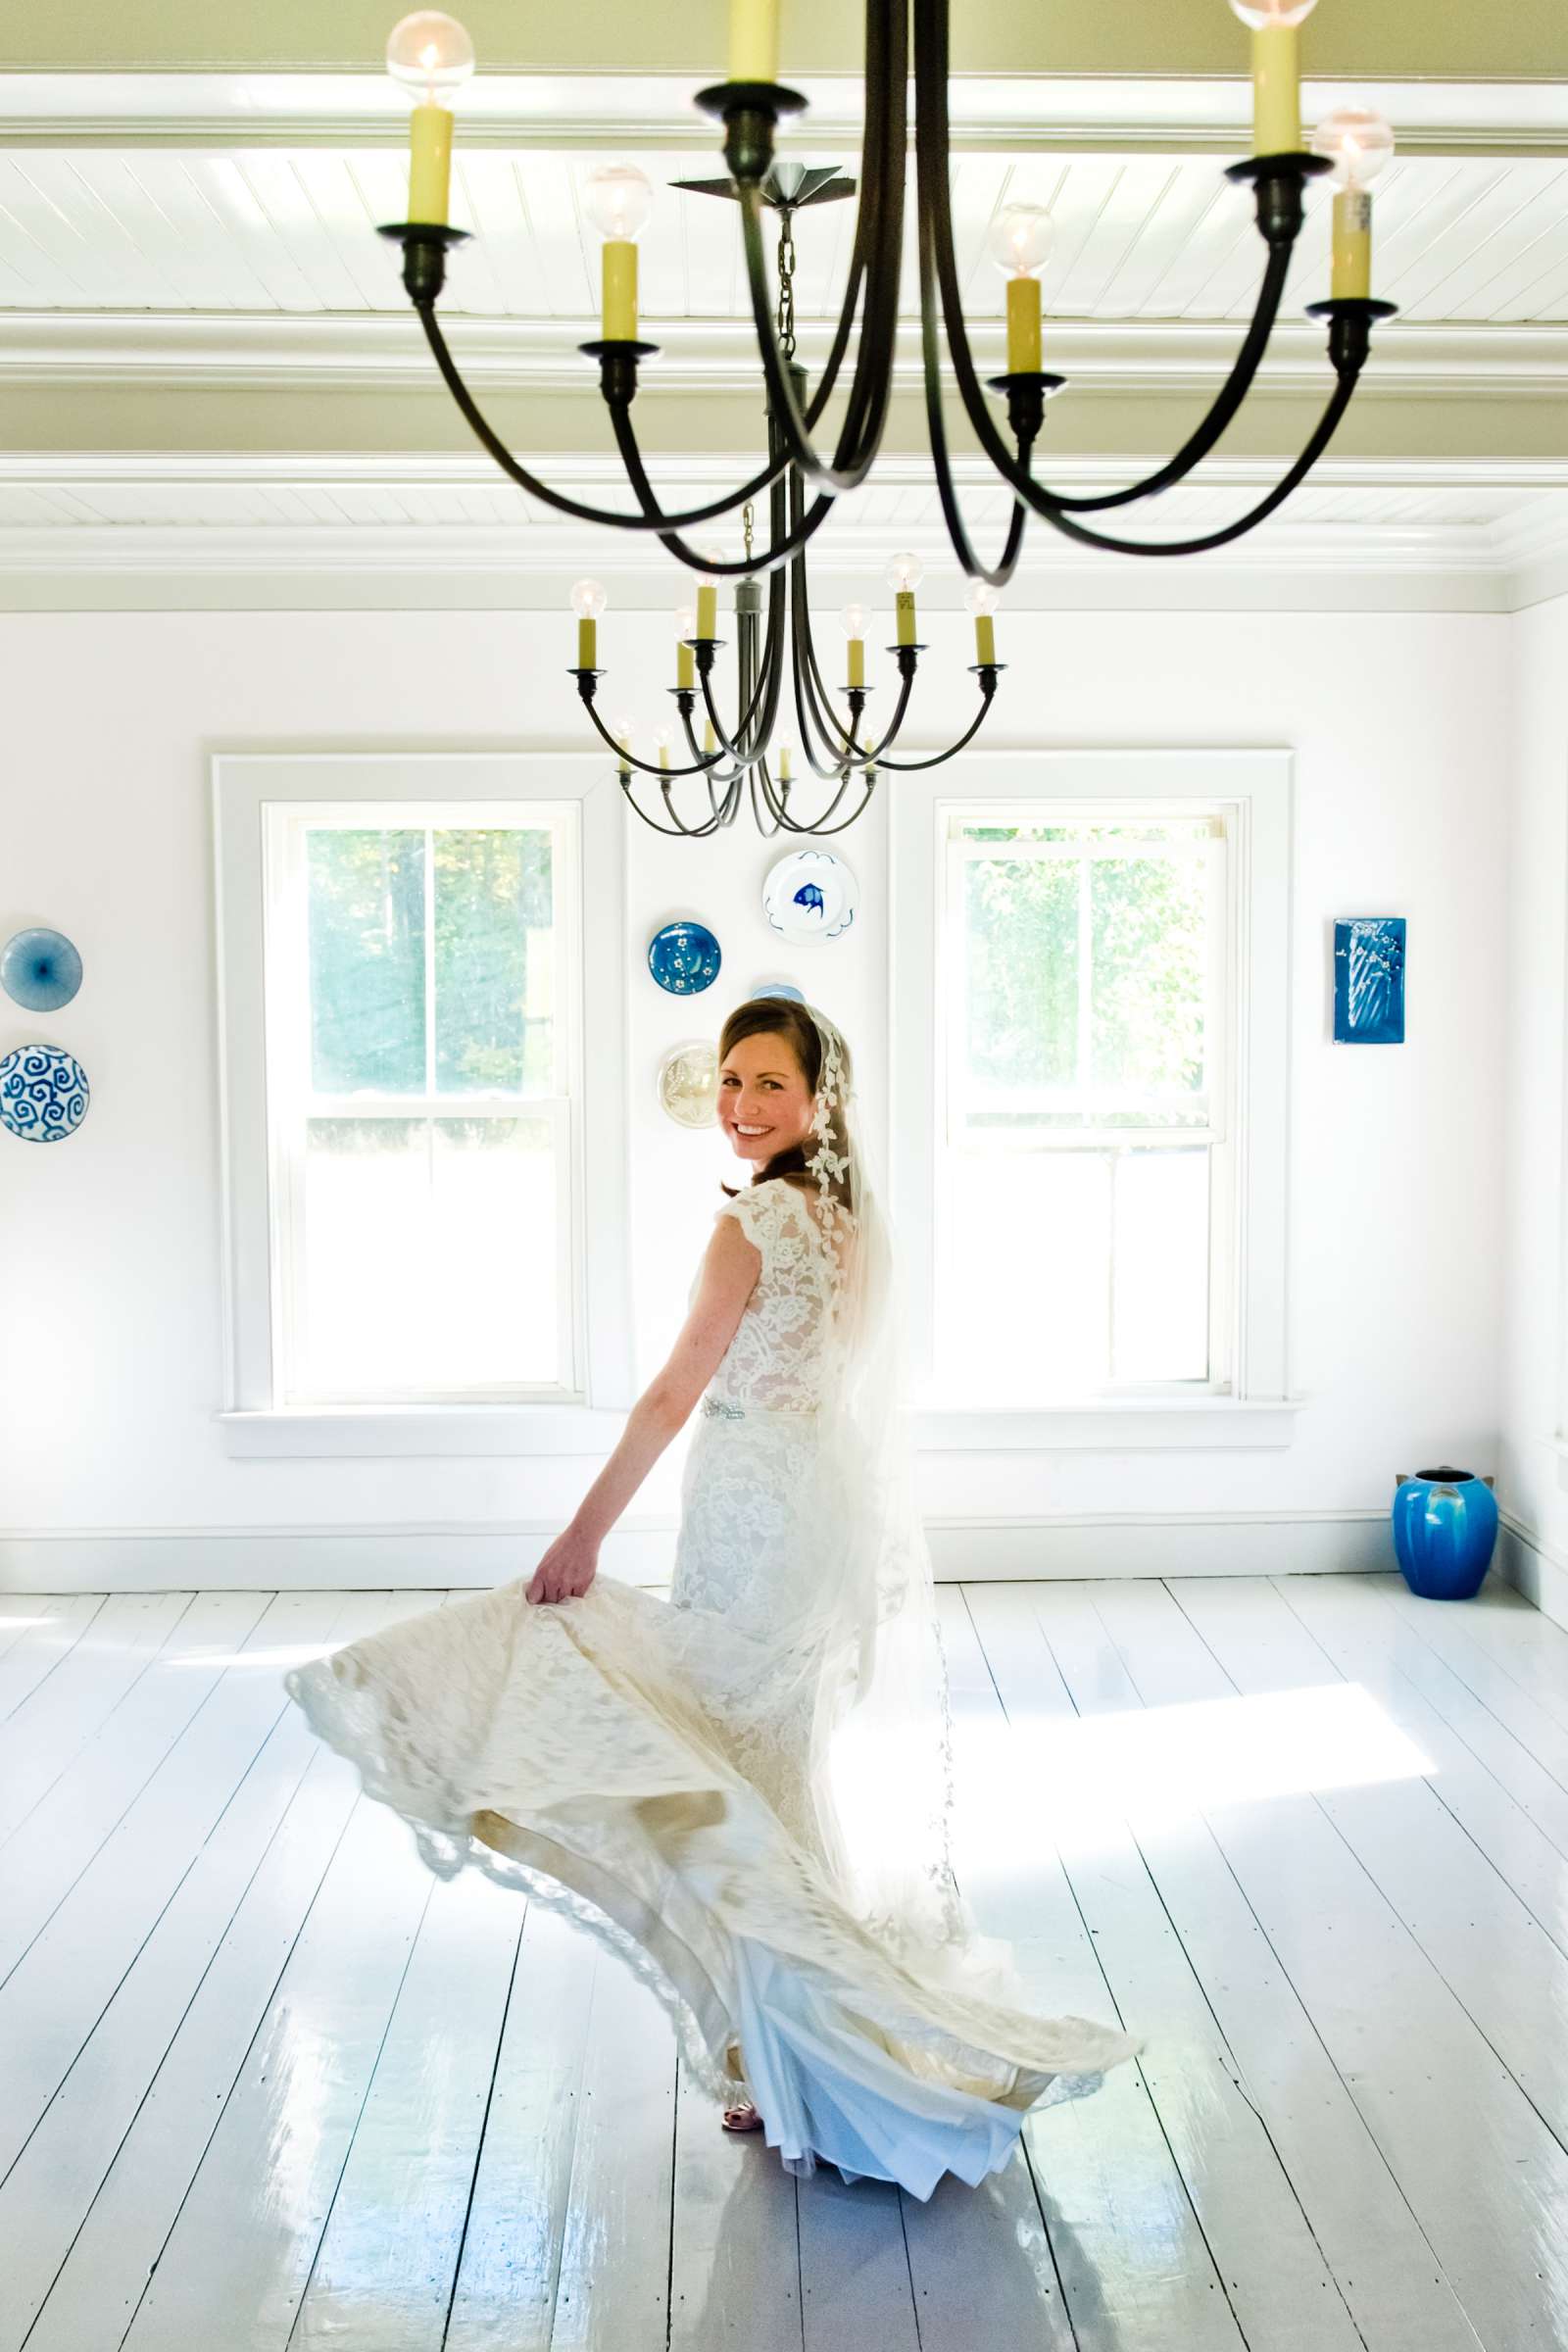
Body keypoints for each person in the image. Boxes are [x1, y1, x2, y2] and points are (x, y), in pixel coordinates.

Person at [284, 995, 1139, 2198]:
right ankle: (791, 2049)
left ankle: (809, 2060)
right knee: (768, 1771)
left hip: (752, 1514)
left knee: (728, 1779)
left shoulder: (756, 1223)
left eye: (767, 1085)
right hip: (815, 1515)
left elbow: (673, 1392)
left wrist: (580, 1536)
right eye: (729, 1082)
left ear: (820, 1098)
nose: (740, 1106)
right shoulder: (854, 1221)